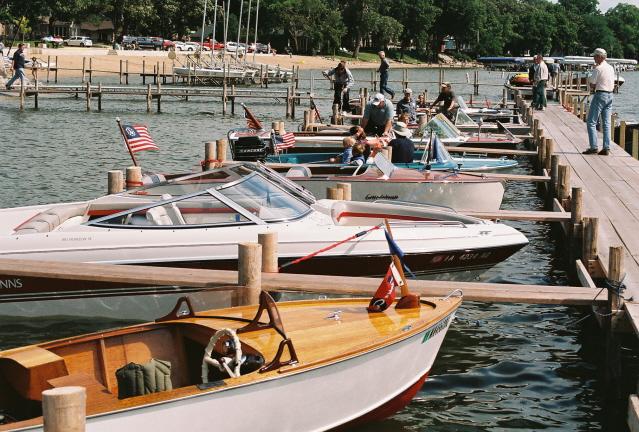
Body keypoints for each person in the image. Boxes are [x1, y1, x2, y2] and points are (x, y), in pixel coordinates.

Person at [583, 48, 615, 156]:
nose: (594, 58)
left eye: (595, 56)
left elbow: (592, 83)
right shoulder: (611, 67)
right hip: (610, 95)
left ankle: (594, 147)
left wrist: (592, 75)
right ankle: (606, 147)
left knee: (591, 122)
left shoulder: (598, 68)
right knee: (606, 123)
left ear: (600, 57)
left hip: (600, 94)